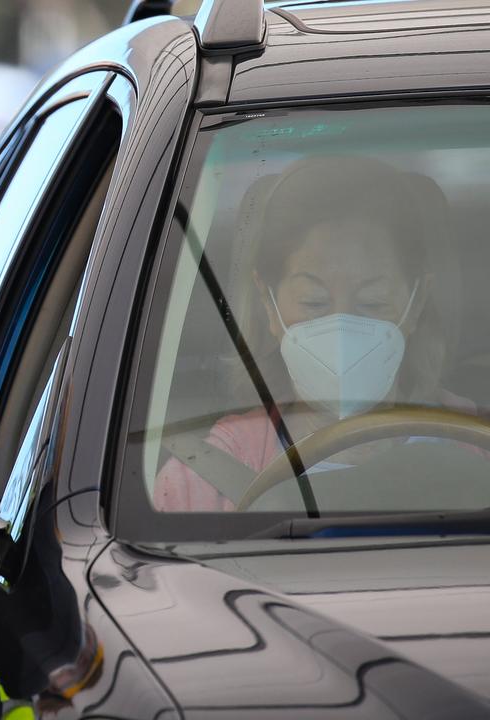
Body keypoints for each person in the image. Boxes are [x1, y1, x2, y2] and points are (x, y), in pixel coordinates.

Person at [155, 156, 477, 512]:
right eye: (314, 301)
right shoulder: (202, 483)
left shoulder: (475, 440)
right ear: (267, 301)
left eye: (372, 302)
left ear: (416, 304)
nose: (342, 330)